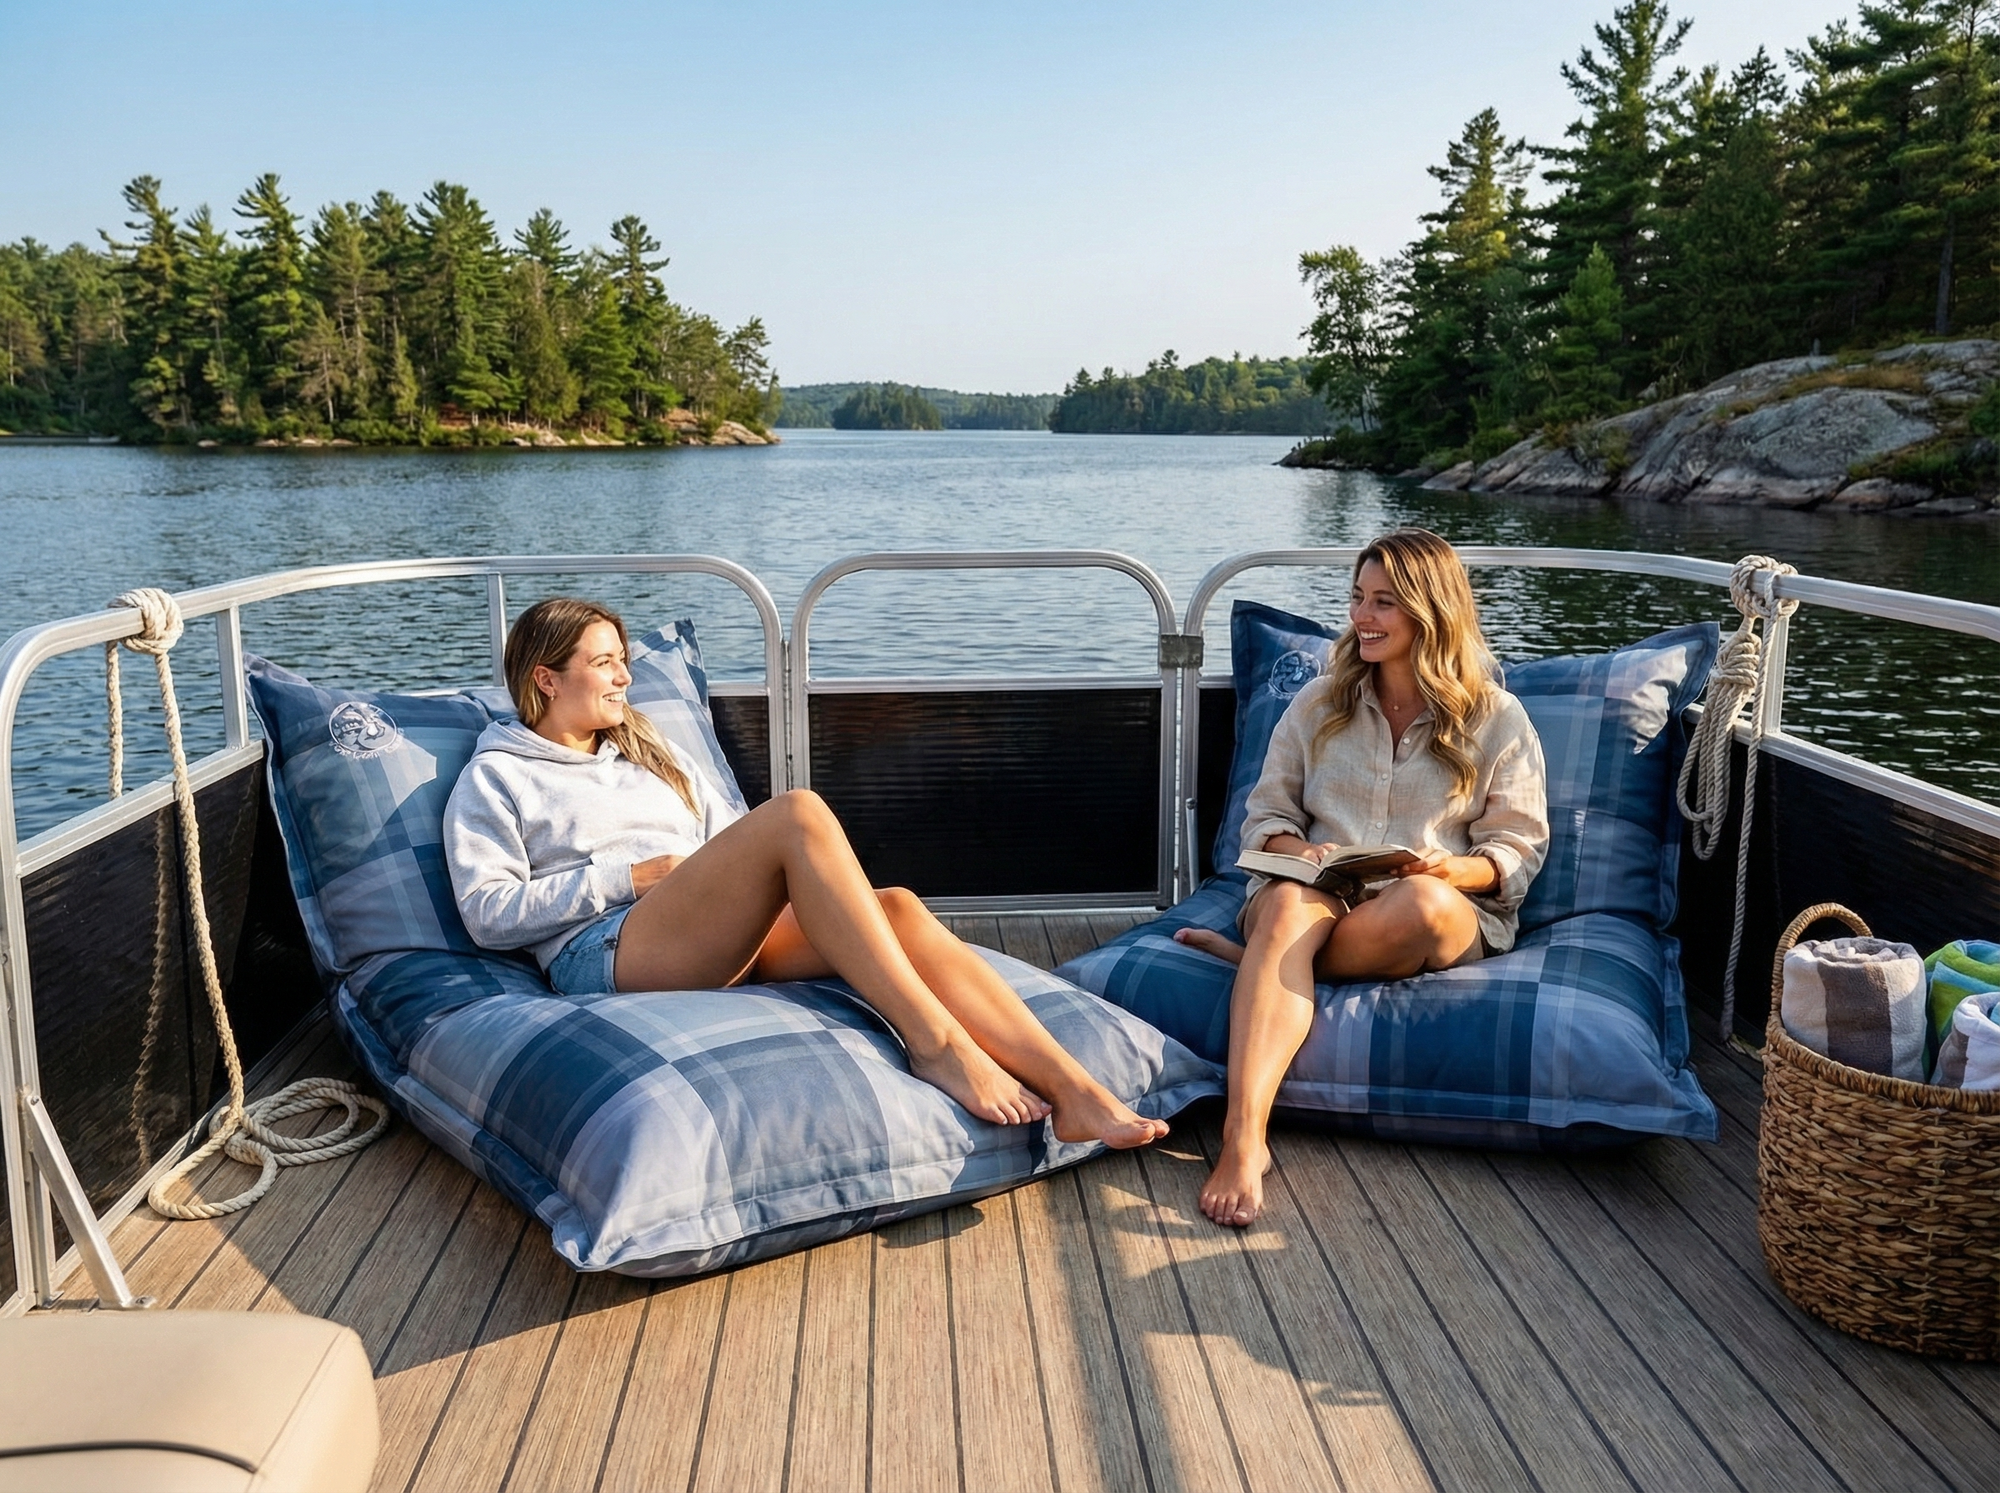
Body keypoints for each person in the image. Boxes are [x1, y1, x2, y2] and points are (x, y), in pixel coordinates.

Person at [442, 596, 1167, 1149]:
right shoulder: (499, 775)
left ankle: (1074, 1089)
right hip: (606, 948)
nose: (625, 676)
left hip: (707, 932)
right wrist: (627, 878)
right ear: (546, 678)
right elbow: (487, 912)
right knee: (797, 813)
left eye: (623, 659)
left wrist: (708, 881)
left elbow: (728, 842)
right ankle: (937, 1045)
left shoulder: (647, 750)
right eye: (604, 663)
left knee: (897, 908)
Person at [1174, 530, 1548, 1226]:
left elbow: (1517, 848)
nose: (1362, 617)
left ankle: (1262, 964)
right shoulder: (1319, 702)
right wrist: (1305, 850)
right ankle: (1244, 1137)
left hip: (1433, 906)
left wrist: (1451, 867)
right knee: (1289, 904)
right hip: (1317, 894)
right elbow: (1266, 818)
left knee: (1423, 902)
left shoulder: (1497, 717)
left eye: (1383, 602)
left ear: (1430, 611)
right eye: (1357, 597)